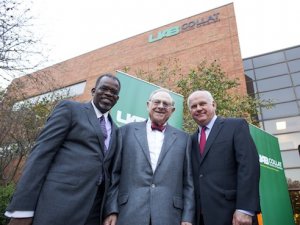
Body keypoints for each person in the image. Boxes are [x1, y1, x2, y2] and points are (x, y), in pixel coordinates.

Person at [5, 73, 121, 225]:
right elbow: (40, 156)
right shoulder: (70, 110)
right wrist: (22, 209)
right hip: (57, 206)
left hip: (93, 213)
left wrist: (109, 210)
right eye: (104, 88)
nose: (108, 93)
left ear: (117, 99)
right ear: (93, 91)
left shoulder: (117, 130)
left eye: (113, 92)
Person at [103, 89, 195, 225]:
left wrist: (188, 217)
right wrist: (111, 209)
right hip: (128, 212)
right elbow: (114, 174)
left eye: (166, 104)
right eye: (157, 102)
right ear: (148, 105)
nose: (161, 106)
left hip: (170, 215)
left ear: (172, 110)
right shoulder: (124, 132)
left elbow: (188, 182)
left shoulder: (185, 139)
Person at [187, 90, 260, 225]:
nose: (198, 109)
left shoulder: (235, 126)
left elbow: (249, 166)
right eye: (193, 106)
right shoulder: (190, 140)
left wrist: (245, 209)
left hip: (233, 215)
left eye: (202, 103)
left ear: (213, 105)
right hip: (201, 217)